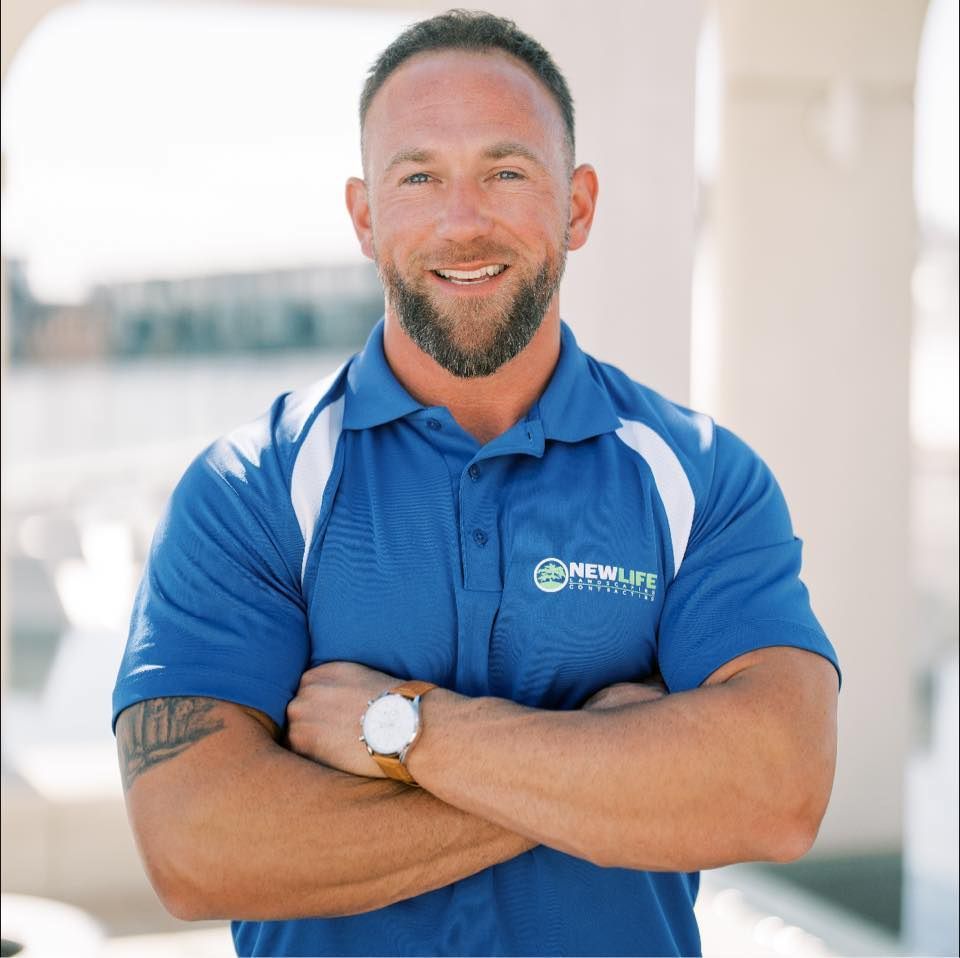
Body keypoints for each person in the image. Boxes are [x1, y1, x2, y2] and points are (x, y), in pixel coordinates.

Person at [112, 10, 840, 958]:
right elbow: (194, 849)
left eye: (506, 171)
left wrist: (402, 733)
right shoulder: (250, 488)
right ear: (365, 216)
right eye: (419, 177)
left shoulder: (701, 477)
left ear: (576, 206)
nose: (463, 220)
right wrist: (617, 768)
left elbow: (779, 791)